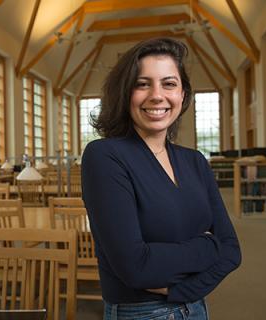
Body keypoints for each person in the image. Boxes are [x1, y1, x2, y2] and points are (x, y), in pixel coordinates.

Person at [81, 38, 241, 320]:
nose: (157, 95)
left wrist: (181, 290)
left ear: (182, 94)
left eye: (169, 84)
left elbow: (232, 251)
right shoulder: (104, 155)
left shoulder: (195, 161)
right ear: (125, 92)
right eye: (142, 84)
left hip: (197, 308)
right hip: (140, 313)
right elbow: (136, 267)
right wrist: (208, 245)